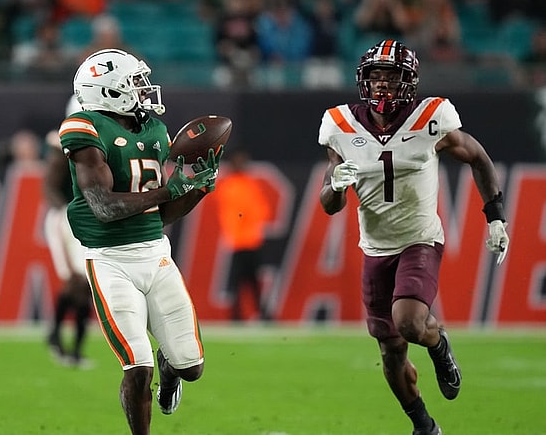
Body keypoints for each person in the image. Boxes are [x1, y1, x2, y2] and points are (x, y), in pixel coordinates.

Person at [317, 39, 510, 435]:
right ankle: (423, 425)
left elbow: (477, 156)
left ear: (409, 81)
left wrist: (495, 217)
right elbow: (329, 204)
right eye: (375, 77)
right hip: (374, 247)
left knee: (408, 323)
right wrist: (335, 185)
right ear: (363, 81)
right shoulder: (339, 124)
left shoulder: (431, 118)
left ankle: (439, 345)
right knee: (390, 353)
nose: (382, 85)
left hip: (420, 237)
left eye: (391, 77)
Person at [59, 48, 219, 435]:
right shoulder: (84, 128)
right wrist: (169, 191)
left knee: (191, 367)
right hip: (110, 260)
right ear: (108, 91)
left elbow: (161, 216)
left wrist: (197, 190)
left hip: (156, 255)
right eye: (134, 83)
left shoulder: (155, 131)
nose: (143, 90)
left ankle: (172, 370)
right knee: (136, 364)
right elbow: (104, 206)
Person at [44, 95, 92, 367]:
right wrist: (68, 211)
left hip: (83, 218)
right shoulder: (63, 143)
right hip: (66, 218)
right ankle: (62, 341)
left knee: (84, 283)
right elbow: (50, 186)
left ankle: (64, 342)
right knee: (77, 281)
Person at [214, 148, 272, 321]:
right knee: (238, 281)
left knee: (252, 280)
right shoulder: (230, 185)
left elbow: (262, 211)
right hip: (238, 241)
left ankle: (259, 313)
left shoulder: (248, 184)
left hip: (252, 240)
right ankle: (237, 314)